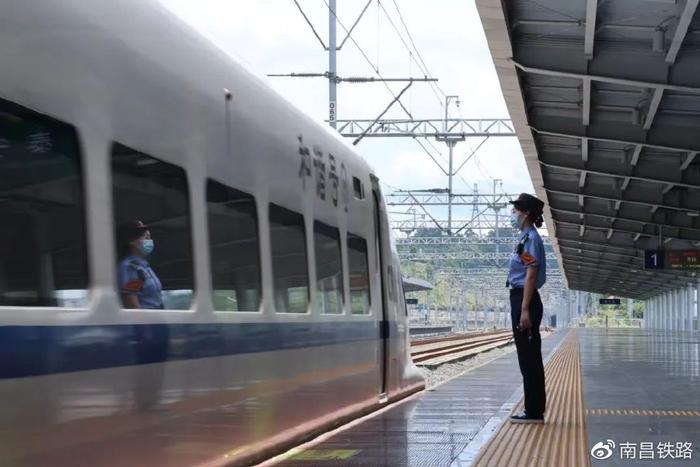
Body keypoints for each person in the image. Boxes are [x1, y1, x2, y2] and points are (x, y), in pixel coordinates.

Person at [507, 193, 547, 424]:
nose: (514, 214)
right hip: (522, 297)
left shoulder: (530, 237)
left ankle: (533, 412)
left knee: (529, 358)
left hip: (525, 299)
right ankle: (534, 408)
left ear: (526, 214)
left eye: (516, 211)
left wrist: (524, 309)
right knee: (528, 357)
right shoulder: (525, 238)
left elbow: (531, 273)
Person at [117, 220, 164, 309]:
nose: (150, 241)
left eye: (150, 238)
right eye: (146, 238)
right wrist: (144, 322)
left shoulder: (144, 266)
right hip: (146, 321)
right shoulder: (131, 267)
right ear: (132, 241)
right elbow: (131, 302)